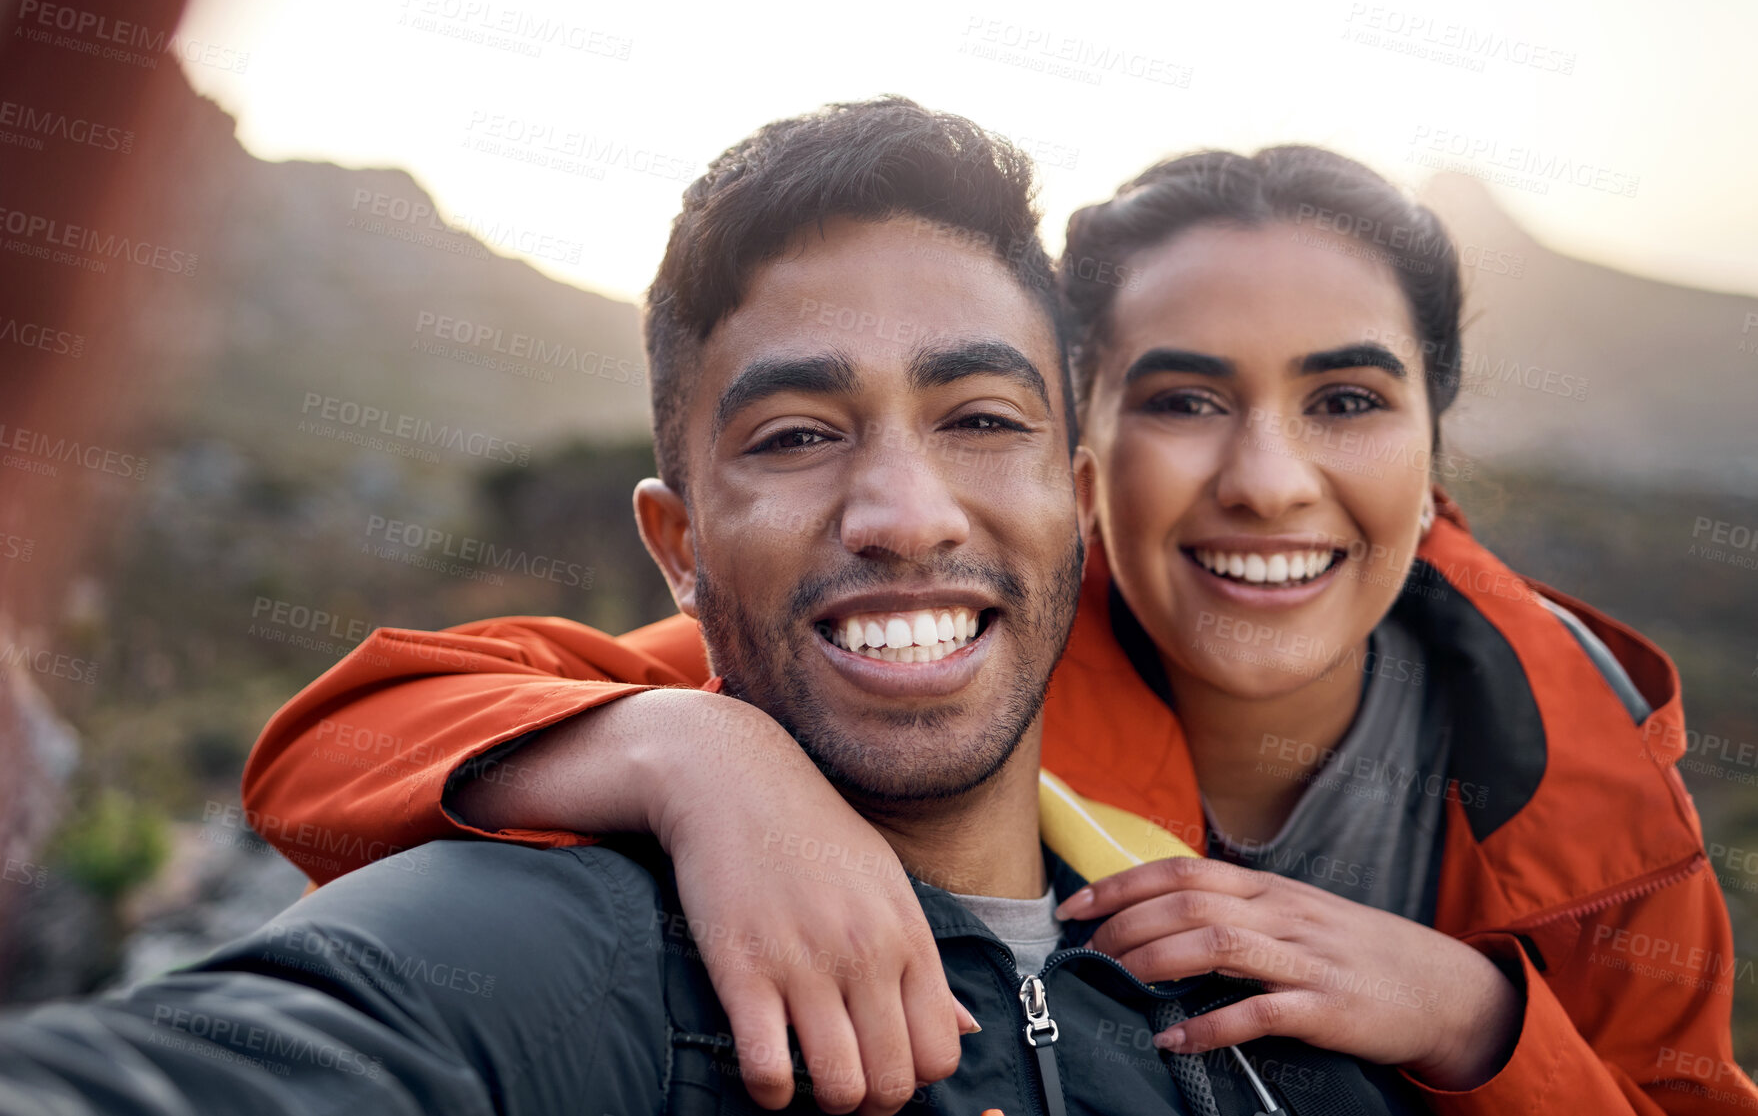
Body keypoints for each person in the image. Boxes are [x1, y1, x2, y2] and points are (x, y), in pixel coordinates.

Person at [240, 143, 1757, 1113]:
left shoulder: (1594, 783)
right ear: (1081, 452)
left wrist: (1477, 1019)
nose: (1265, 477)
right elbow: (340, 742)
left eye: (1347, 399)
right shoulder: (966, 659)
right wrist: (697, 755)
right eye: (1182, 397)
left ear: (1436, 443)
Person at [0, 98, 1422, 1116]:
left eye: (980, 416)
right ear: (677, 549)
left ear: (1080, 493)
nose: (902, 511)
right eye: (797, 435)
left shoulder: (1259, 1008)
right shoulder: (535, 948)